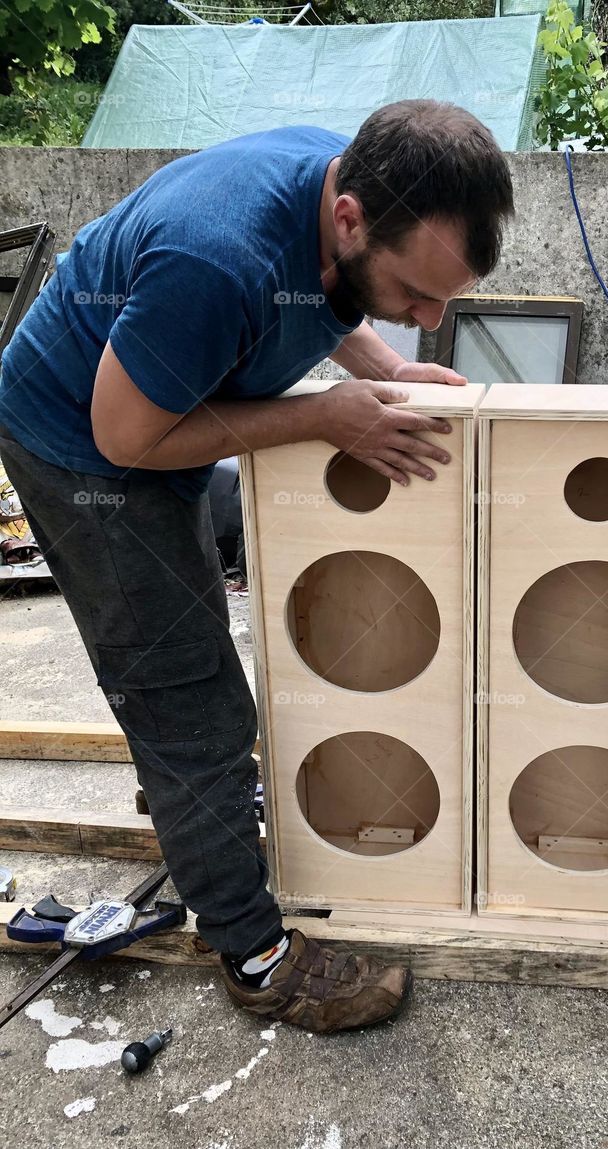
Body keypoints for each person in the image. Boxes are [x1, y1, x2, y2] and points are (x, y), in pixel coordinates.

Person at [0, 100, 514, 1033]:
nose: (433, 320)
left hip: (160, 402)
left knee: (194, 638)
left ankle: (185, 798)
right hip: (83, 445)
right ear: (352, 218)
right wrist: (325, 414)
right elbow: (126, 435)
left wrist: (376, 365)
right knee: (190, 691)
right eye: (418, 292)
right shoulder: (216, 259)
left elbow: (321, 294)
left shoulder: (345, 176)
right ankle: (254, 952)